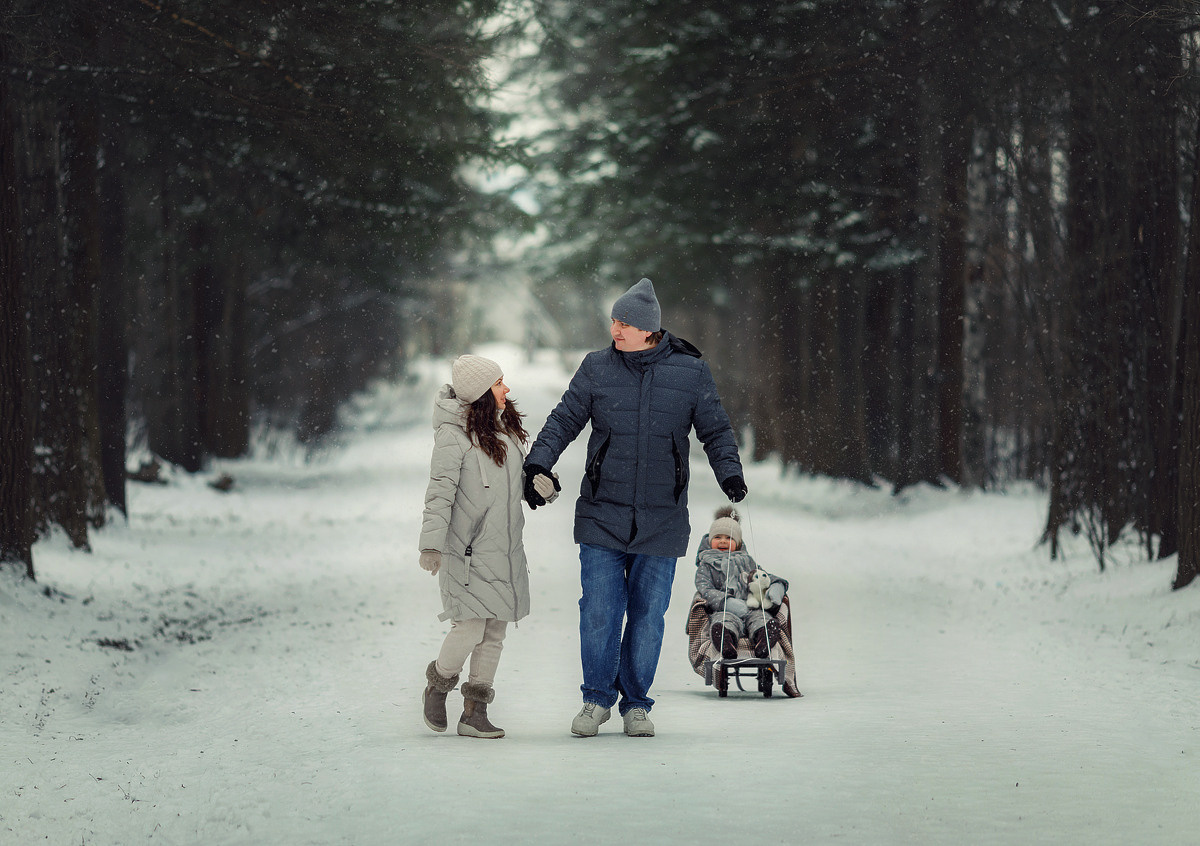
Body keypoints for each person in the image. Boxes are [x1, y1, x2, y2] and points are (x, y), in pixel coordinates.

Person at [522, 277, 747, 738]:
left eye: (624, 323)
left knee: (648, 615)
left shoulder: (689, 372)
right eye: (613, 321)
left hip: (662, 516)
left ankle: (636, 704)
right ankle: (596, 700)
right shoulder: (596, 368)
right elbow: (564, 418)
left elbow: (716, 429)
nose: (615, 330)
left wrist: (730, 472)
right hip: (602, 512)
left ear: (649, 329)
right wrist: (538, 463)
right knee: (600, 611)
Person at [418, 354, 559, 739]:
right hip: (466, 551)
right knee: (469, 628)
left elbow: (519, 481)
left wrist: (543, 486)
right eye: (498, 383)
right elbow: (439, 495)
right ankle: (439, 684)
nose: (506, 389)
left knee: (494, 632)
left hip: (506, 549)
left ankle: (474, 712)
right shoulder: (453, 437)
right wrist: (431, 545)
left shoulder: (505, 431)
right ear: (481, 392)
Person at [694, 506, 787, 660]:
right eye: (718, 537)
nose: (723, 541)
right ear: (710, 541)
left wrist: (776, 585)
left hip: (751, 607)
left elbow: (762, 575)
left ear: (737, 543)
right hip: (724, 610)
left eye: (729, 538)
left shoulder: (746, 560)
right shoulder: (707, 564)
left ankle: (763, 639)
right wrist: (726, 601)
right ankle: (725, 641)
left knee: (761, 619)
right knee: (725, 621)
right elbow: (705, 589)